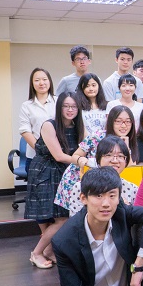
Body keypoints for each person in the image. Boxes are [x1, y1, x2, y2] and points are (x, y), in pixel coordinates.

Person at [26, 92, 85, 268]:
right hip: (45, 172)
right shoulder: (49, 125)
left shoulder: (78, 126)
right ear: (59, 107)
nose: (70, 110)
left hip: (65, 173)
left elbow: (88, 144)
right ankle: (36, 253)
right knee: (60, 218)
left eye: (73, 106)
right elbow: (59, 156)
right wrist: (81, 161)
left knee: (62, 216)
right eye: (66, 106)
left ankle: (48, 251)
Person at [55, 105, 139, 212]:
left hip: (111, 183)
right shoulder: (98, 136)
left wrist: (126, 148)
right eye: (118, 121)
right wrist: (82, 161)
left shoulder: (131, 141)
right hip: (81, 177)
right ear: (111, 121)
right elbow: (75, 156)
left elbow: (129, 168)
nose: (123, 125)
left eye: (128, 122)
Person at [69, 135, 139, 216]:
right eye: (108, 155)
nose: (115, 160)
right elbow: (74, 220)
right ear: (98, 159)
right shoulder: (80, 187)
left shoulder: (132, 189)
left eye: (120, 156)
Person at [19, 67, 56, 170]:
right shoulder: (26, 105)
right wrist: (40, 149)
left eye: (44, 79)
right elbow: (25, 130)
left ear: (49, 81)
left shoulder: (58, 102)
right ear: (32, 84)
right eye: (37, 80)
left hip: (57, 155)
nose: (41, 83)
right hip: (34, 156)